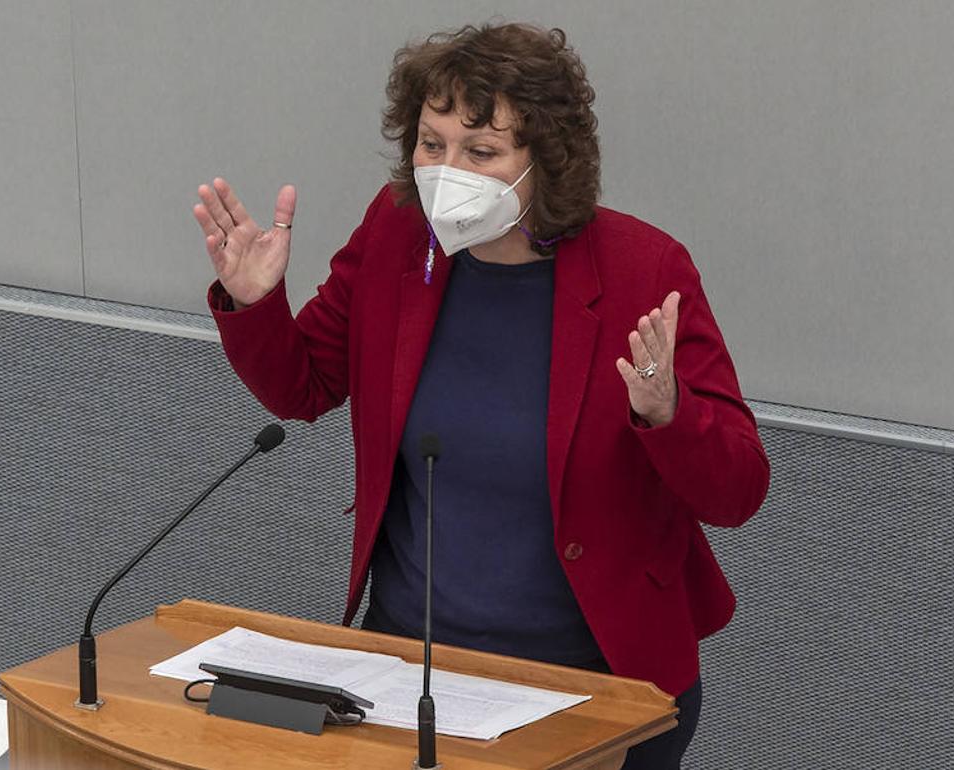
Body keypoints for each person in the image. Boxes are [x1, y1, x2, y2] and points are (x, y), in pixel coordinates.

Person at [192, 22, 769, 769]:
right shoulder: (398, 235)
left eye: (481, 152)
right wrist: (255, 304)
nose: (445, 170)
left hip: (592, 685)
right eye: (432, 144)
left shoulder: (642, 269)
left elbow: (739, 491)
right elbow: (304, 387)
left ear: (547, 163)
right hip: (409, 675)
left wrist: (667, 414)